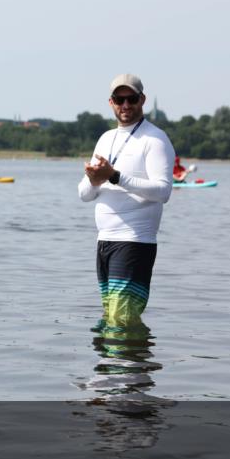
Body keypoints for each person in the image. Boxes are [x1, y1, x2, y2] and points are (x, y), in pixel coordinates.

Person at [78, 74, 175, 335]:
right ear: (111, 102)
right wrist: (94, 179)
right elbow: (84, 194)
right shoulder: (106, 139)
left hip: (135, 242)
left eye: (131, 98)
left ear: (142, 99)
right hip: (105, 242)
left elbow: (163, 191)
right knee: (110, 318)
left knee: (121, 320)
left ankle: (131, 371)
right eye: (119, 99)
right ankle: (121, 372)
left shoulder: (154, 139)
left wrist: (114, 176)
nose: (125, 105)